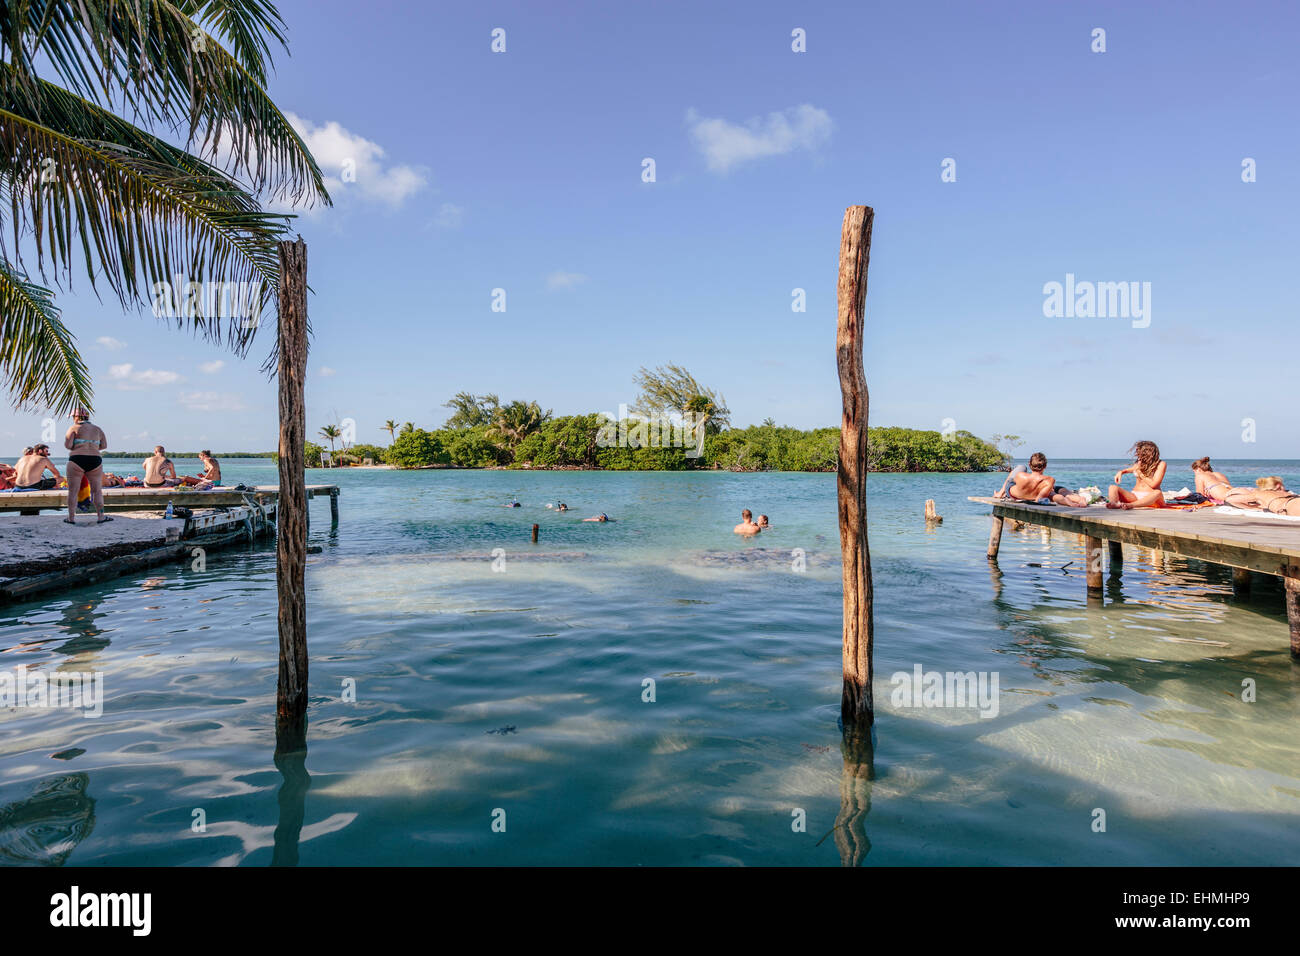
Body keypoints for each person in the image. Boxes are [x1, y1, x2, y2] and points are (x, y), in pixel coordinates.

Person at [63, 409, 110, 524]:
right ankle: (101, 517)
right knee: (97, 491)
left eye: (73, 417)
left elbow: (68, 445)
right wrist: (92, 448)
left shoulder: (73, 428)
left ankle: (71, 518)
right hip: (94, 459)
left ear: (77, 417)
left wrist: (79, 446)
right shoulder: (98, 429)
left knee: (73, 491)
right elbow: (104, 445)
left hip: (77, 459)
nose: (73, 419)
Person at [997, 453, 1089, 506]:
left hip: (1014, 494)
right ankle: (1079, 499)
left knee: (1021, 467)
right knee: (1054, 491)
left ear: (1030, 464)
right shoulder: (1049, 480)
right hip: (1036, 494)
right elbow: (1039, 499)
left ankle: (1000, 493)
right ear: (1045, 466)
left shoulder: (1020, 475)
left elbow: (1014, 481)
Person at [1107, 440, 1166, 510]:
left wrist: (1140, 474)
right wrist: (1121, 472)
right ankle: (1114, 503)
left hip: (1152, 497)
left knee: (1157, 492)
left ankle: (1131, 505)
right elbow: (1131, 469)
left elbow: (1154, 484)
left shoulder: (1161, 464)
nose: (1137, 454)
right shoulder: (1140, 462)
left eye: (1140, 452)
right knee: (1112, 487)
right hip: (1135, 495)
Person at [1223, 477, 1300, 517]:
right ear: (1278, 485)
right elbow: (1229, 499)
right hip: (1293, 503)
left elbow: (1230, 499)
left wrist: (1254, 508)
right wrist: (1254, 508)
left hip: (1289, 506)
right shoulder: (1288, 493)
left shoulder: (1259, 494)